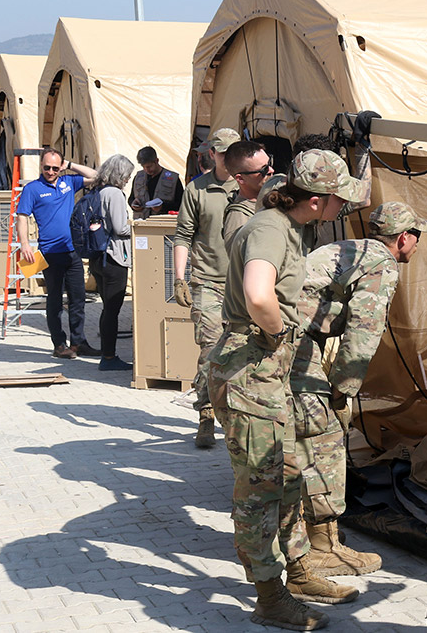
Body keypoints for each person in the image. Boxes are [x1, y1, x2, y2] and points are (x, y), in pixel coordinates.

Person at [207, 148, 363, 630]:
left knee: (289, 474)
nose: (344, 209)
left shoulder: (291, 226)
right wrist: (276, 333)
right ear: (316, 200)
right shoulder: (271, 229)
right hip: (251, 370)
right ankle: (269, 596)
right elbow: (259, 293)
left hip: (271, 372)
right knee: (260, 488)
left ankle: (296, 570)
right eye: (340, 200)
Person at [289, 201, 427, 580]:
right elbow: (362, 337)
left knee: (301, 437)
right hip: (293, 342)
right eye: (417, 238)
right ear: (402, 238)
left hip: (284, 337)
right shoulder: (381, 265)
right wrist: (342, 392)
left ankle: (308, 538)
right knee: (324, 436)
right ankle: (322, 547)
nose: (418, 246)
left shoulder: (352, 249)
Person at [172, 128, 239, 449]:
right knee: (210, 351)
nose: (228, 158)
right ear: (212, 154)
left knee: (242, 353)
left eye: (234, 152)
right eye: (223, 152)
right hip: (208, 283)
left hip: (243, 285)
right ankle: (206, 413)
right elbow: (183, 235)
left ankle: (237, 417)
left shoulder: (251, 187)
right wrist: (179, 277)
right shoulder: (196, 190)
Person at [15, 147, 100, 359]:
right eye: (46, 167)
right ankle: (59, 345)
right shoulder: (32, 189)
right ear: (41, 166)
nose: (50, 172)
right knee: (54, 301)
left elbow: (97, 177)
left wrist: (69, 166)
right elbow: (22, 217)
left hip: (72, 252)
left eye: (55, 168)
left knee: (78, 299)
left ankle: (78, 342)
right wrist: (24, 244)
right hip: (50, 253)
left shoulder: (68, 182)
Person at [86, 154, 135, 372]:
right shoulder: (114, 194)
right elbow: (120, 228)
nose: (127, 180)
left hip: (98, 257)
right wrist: (137, 224)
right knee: (112, 310)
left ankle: (107, 354)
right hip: (114, 258)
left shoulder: (97, 191)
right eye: (127, 176)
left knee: (107, 308)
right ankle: (108, 356)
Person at [128, 146, 183, 219]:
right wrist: (134, 204)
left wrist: (162, 207)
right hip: (141, 223)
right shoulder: (138, 177)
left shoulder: (172, 179)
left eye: (149, 166)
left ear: (156, 161)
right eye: (143, 167)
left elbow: (181, 204)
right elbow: (131, 199)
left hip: (162, 224)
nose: (146, 170)